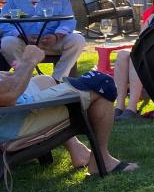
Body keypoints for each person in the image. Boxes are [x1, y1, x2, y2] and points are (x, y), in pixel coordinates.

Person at [1, 44, 137, 175]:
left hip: (8, 113)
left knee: (45, 81)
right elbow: (8, 95)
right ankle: (101, 160)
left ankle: (77, 150)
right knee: (101, 83)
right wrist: (28, 61)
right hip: (13, 123)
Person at [1, 0, 85, 80]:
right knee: (7, 42)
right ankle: (24, 80)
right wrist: (21, 36)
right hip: (24, 41)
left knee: (78, 40)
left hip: (51, 40)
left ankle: (57, 80)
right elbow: (4, 22)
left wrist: (56, 36)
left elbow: (69, 20)